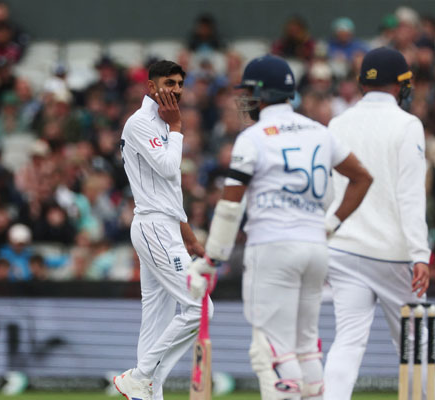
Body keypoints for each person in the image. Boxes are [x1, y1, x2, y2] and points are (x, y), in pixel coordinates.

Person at [187, 54, 372, 400]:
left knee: (271, 350)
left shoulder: (253, 137)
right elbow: (361, 178)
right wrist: (329, 225)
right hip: (316, 248)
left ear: (262, 94)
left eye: (248, 93)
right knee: (306, 347)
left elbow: (229, 206)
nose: (244, 101)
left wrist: (211, 260)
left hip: (272, 248)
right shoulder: (320, 131)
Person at [322, 47, 435, 400]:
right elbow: (410, 195)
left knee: (347, 341)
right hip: (393, 254)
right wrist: (420, 252)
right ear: (402, 85)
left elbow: (331, 192)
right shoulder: (408, 125)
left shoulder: (337, 123)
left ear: (361, 84)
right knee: (416, 342)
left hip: (343, 248)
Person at [112, 60, 213, 400]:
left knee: (156, 320)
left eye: (180, 84)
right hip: (154, 226)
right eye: (169, 83)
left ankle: (146, 392)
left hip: (164, 225)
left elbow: (169, 190)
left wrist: (188, 236)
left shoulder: (160, 123)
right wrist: (179, 126)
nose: (177, 90)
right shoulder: (141, 123)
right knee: (201, 308)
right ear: (150, 87)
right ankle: (139, 376)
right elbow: (170, 167)